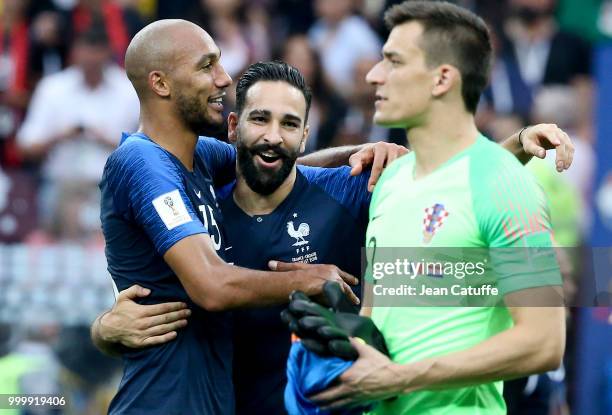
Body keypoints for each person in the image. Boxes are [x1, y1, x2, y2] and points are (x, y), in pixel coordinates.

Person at [94, 55, 574, 415]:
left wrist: (512, 148)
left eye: (289, 125)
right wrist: (105, 331)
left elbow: (442, 187)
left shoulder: (351, 188)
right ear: (234, 128)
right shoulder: (205, 211)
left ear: (305, 137)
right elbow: (158, 293)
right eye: (260, 119)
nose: (273, 136)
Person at [95, 19, 403, 415]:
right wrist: (306, 279)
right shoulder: (142, 162)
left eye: (290, 124)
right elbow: (211, 285)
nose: (223, 79)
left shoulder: (198, 158)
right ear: (161, 84)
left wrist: (368, 149)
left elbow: (275, 165)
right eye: (207, 66)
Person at [303, 2, 567, 414]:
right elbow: (378, 322)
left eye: (393, 61)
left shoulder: (505, 182)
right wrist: (343, 350)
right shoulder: (390, 180)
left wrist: (400, 376)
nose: (373, 74)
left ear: (442, 78)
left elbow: (544, 343)